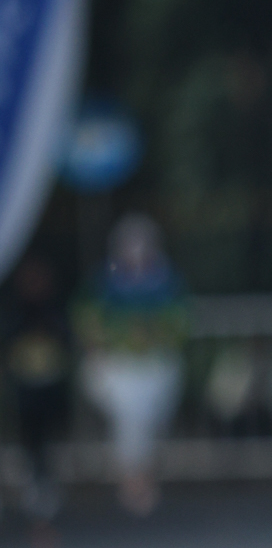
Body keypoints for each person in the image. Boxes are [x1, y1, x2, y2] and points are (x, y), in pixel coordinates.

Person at [76, 215, 188, 516]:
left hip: (154, 362)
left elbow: (179, 322)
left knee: (145, 419)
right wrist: (107, 340)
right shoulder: (104, 280)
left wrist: (153, 335)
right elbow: (88, 319)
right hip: (117, 363)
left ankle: (138, 478)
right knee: (131, 416)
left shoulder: (166, 280)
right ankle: (136, 481)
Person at [2, 252, 72, 528]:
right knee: (29, 432)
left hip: (52, 384)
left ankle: (44, 482)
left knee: (48, 432)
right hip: (23, 387)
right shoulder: (15, 311)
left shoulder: (55, 309)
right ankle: (33, 480)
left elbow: (65, 340)